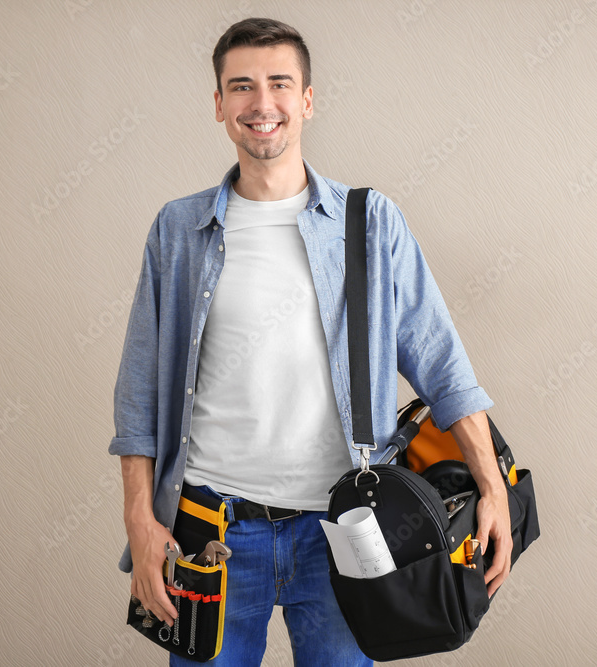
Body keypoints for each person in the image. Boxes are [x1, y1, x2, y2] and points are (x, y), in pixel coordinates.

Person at [109, 16, 513, 665]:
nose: (260, 103)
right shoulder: (178, 230)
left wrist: (493, 487)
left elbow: (443, 367)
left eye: (278, 84)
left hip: (345, 536)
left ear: (307, 100)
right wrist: (139, 518)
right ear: (218, 104)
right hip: (211, 534)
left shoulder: (370, 223)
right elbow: (138, 395)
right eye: (241, 86)